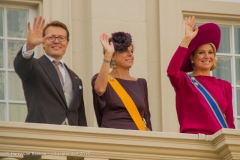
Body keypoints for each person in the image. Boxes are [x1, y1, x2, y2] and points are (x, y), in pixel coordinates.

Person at [167, 16, 235, 135]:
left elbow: (230, 124)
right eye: (201, 52)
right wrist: (187, 39)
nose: (206, 56)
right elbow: (172, 71)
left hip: (219, 144)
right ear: (192, 58)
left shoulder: (225, 86)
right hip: (194, 142)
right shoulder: (184, 81)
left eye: (210, 52)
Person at [14, 16, 87, 126]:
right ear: (43, 42)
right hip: (42, 134)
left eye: (61, 38)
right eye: (51, 37)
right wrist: (29, 46)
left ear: (67, 43)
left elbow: (80, 115)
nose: (56, 41)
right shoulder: (34, 66)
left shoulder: (76, 78)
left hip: (71, 137)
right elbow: (20, 65)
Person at [91, 32, 152, 131]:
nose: (130, 55)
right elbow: (100, 90)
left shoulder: (141, 83)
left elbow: (147, 118)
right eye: (124, 51)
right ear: (113, 56)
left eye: (131, 51)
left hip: (137, 140)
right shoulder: (101, 79)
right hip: (112, 139)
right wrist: (108, 55)